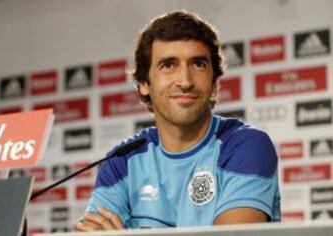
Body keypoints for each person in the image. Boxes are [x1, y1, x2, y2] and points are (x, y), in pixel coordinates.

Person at [75, 10, 281, 231]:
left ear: (214, 82)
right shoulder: (121, 161)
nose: (185, 81)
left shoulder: (245, 145)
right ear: (144, 83)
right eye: (168, 65)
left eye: (198, 64)